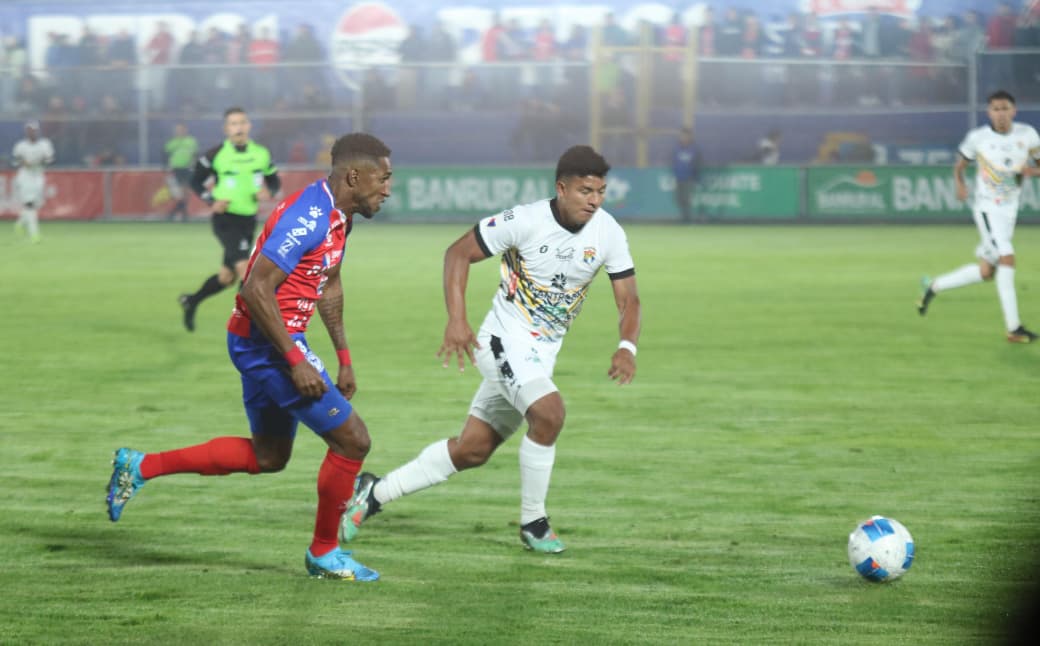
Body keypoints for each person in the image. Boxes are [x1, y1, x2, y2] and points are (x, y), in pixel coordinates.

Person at [105, 133, 394, 580]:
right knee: (353, 440)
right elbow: (255, 287)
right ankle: (324, 552)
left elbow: (329, 283)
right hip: (266, 344)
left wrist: (343, 356)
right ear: (355, 176)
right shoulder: (309, 216)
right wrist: (295, 360)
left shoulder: (340, 217)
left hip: (265, 340)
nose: (388, 188)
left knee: (268, 456)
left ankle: (140, 466)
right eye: (384, 178)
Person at [340, 145, 641, 554]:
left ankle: (373, 493)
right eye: (585, 191)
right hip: (503, 340)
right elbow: (457, 253)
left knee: (472, 450)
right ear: (562, 188)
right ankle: (534, 522)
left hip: (540, 354)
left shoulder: (608, 232)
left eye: (601, 191)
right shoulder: (525, 221)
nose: (594, 200)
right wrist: (457, 320)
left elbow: (629, 299)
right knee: (549, 413)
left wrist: (627, 346)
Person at [917, 90, 1038, 343]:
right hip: (987, 209)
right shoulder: (978, 138)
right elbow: (960, 165)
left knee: (986, 272)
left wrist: (1030, 171)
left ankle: (933, 286)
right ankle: (1014, 328)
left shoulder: (1027, 135)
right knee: (1007, 257)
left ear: (1014, 111)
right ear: (989, 112)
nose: (1001, 113)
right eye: (996, 109)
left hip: (1009, 211)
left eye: (1005, 108)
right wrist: (960, 185)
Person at [179, 107, 280, 332]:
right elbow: (195, 181)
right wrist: (210, 200)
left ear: (249, 125)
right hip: (225, 219)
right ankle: (248, 329)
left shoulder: (261, 153)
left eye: (242, 122)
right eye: (234, 124)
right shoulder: (215, 155)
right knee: (246, 271)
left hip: (248, 220)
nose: (239, 127)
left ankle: (191, 301)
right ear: (226, 129)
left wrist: (269, 192)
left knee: (226, 277)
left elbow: (274, 180)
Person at [11, 120, 54, 243]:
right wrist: (24, 162)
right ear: (26, 132)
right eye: (30, 130)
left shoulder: (45, 144)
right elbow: (16, 160)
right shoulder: (20, 146)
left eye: (34, 130)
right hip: (25, 176)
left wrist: (41, 160)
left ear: (38, 131)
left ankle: (20, 223)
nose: (32, 132)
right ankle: (34, 235)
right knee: (29, 204)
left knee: (36, 205)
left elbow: (49, 159)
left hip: (38, 176)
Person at [164, 123, 198, 221]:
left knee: (186, 192)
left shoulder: (191, 141)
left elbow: (195, 154)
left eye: (182, 129)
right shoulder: (172, 142)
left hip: (188, 168)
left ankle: (177, 213)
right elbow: (166, 154)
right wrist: (167, 166)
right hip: (176, 169)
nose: (180, 131)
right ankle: (180, 213)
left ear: (185, 130)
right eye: (178, 130)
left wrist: (194, 165)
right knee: (179, 193)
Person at [671, 127, 701, 223]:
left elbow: (697, 164)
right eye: (682, 135)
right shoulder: (677, 149)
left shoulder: (694, 149)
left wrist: (696, 177)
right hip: (678, 178)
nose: (684, 137)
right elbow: (674, 163)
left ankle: (688, 219)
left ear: (690, 136)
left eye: (686, 136)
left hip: (689, 178)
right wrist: (674, 175)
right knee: (678, 199)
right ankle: (683, 217)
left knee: (687, 199)